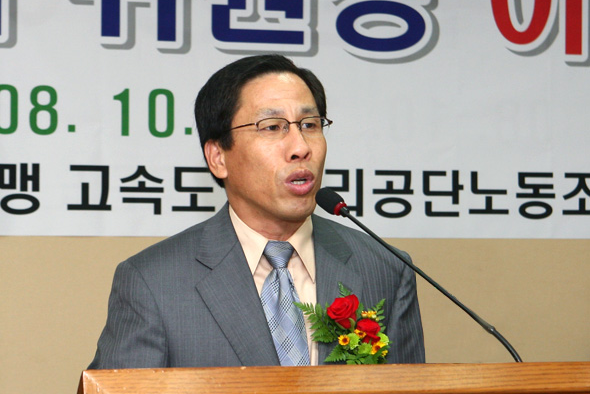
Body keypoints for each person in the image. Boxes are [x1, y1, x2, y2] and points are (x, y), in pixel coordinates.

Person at [88, 54, 425, 369]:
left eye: (310, 124)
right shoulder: (153, 282)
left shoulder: (385, 269)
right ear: (218, 157)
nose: (300, 147)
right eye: (272, 127)